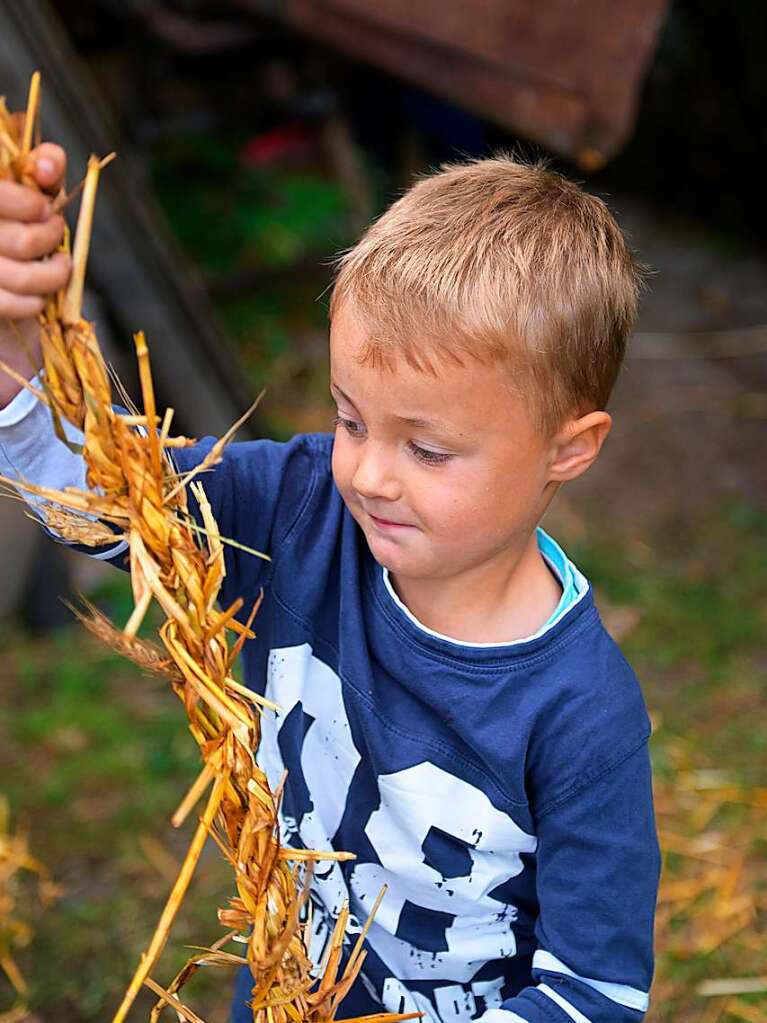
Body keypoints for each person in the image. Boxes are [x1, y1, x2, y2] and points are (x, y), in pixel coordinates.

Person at [0, 143, 661, 1023]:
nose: (371, 475)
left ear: (568, 449)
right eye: (351, 419)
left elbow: (595, 992)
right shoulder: (303, 510)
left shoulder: (580, 712)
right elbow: (108, 501)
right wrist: (18, 353)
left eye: (425, 449)